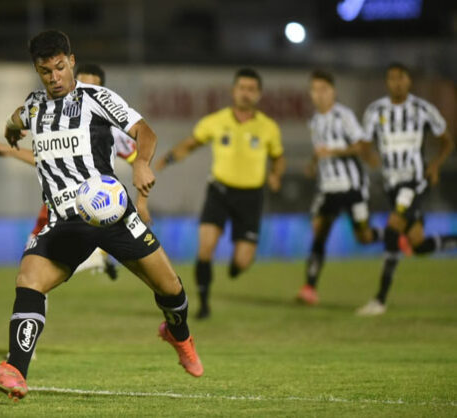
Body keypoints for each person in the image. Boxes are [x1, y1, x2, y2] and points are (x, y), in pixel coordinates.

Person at [0, 30, 203, 401]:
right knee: (28, 280)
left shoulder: (97, 99)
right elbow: (16, 119)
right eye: (45, 71)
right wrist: (11, 132)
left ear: (72, 61)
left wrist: (141, 164)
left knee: (170, 289)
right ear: (37, 70)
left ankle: (179, 335)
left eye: (60, 67)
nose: (54, 77)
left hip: (113, 214)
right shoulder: (34, 107)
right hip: (64, 220)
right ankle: (15, 369)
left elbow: (144, 131)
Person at [0, 63, 152, 279]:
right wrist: (8, 151)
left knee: (38, 265)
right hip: (59, 201)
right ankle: (92, 259)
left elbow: (140, 161)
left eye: (93, 86)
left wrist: (142, 203)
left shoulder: (112, 130)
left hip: (95, 202)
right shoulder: (53, 119)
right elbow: (41, 159)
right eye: (83, 83)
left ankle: (93, 258)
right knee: (32, 260)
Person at [155, 68, 285, 319]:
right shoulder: (215, 121)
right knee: (205, 249)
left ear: (258, 94)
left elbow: (278, 159)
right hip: (220, 192)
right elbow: (191, 144)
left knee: (243, 262)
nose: (246, 94)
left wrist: (276, 174)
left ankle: (236, 267)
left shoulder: (268, 128)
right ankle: (203, 304)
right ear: (233, 91)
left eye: (251, 90)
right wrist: (168, 158)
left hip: (251, 196)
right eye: (242, 88)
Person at [357, 62, 456, 316]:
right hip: (391, 183)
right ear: (387, 82)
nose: (396, 83)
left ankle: (379, 300)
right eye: (391, 78)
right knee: (418, 243)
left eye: (401, 78)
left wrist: (434, 166)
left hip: (415, 180)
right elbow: (364, 143)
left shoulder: (423, 109)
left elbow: (446, 142)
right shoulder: (375, 111)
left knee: (393, 229)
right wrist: (369, 157)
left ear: (409, 81)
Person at [297, 70, 385, 305]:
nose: (319, 94)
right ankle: (309, 288)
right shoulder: (315, 120)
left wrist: (334, 151)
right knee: (319, 231)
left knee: (364, 237)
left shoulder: (343, 115)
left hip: (351, 186)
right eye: (315, 90)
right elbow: (320, 149)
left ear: (332, 92)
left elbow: (360, 145)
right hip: (327, 188)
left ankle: (393, 235)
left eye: (323, 89)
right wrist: (313, 163)